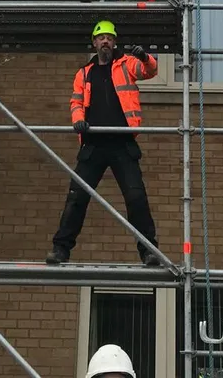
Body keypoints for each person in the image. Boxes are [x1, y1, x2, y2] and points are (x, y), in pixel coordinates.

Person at [47, 20, 159, 266]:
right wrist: (78, 120)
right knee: (77, 197)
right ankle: (61, 249)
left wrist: (145, 57)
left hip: (122, 143)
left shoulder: (126, 64)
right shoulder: (84, 73)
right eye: (101, 38)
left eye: (109, 37)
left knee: (136, 197)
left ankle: (149, 250)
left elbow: (149, 71)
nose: (105, 41)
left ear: (114, 41)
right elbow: (76, 102)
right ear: (94, 42)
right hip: (93, 145)